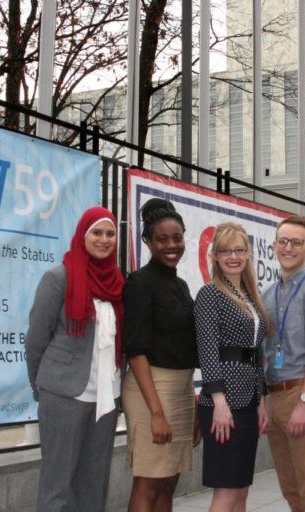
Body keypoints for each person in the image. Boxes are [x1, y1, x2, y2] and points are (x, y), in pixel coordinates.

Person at [24, 206, 124, 512]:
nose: (104, 239)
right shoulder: (59, 278)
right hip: (64, 394)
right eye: (96, 232)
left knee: (94, 483)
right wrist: (44, 387)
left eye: (109, 233)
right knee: (59, 484)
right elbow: (35, 340)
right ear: (83, 235)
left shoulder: (118, 283)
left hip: (106, 399)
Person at [122, 199, 199, 512]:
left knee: (169, 481)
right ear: (148, 241)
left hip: (180, 390)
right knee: (150, 481)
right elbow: (135, 350)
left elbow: (183, 345)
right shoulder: (140, 283)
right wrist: (156, 412)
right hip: (150, 390)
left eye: (177, 238)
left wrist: (192, 400)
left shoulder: (180, 285)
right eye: (162, 239)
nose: (172, 245)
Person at [194, 222, 270, 512]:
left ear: (249, 253)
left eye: (239, 249)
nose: (233, 256)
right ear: (215, 255)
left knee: (241, 492)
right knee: (226, 493)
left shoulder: (250, 297)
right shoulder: (209, 294)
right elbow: (208, 350)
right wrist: (219, 403)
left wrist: (261, 400)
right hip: (223, 404)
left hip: (248, 402)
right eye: (225, 250)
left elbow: (256, 353)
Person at [261, 216, 305, 512]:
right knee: (290, 488)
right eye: (283, 241)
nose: (288, 248)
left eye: (296, 242)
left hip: (300, 394)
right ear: (274, 245)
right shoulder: (268, 292)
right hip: (273, 395)